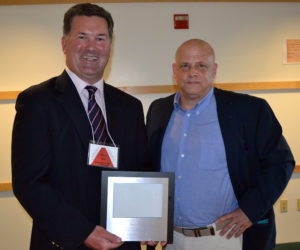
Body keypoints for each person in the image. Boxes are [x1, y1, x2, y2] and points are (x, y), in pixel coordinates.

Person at [12, 3, 149, 250]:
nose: (91, 47)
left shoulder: (131, 107)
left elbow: (141, 173)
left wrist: (149, 222)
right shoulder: (37, 101)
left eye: (100, 38)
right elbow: (29, 183)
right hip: (65, 242)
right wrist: (82, 231)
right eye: (81, 37)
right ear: (64, 44)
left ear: (110, 46)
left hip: (123, 243)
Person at [146, 39, 295, 250]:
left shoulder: (250, 110)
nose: (192, 72)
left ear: (214, 70)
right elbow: (149, 169)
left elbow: (281, 163)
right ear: (174, 70)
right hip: (172, 239)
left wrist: (250, 210)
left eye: (201, 65)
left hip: (226, 237)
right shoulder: (158, 110)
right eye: (185, 65)